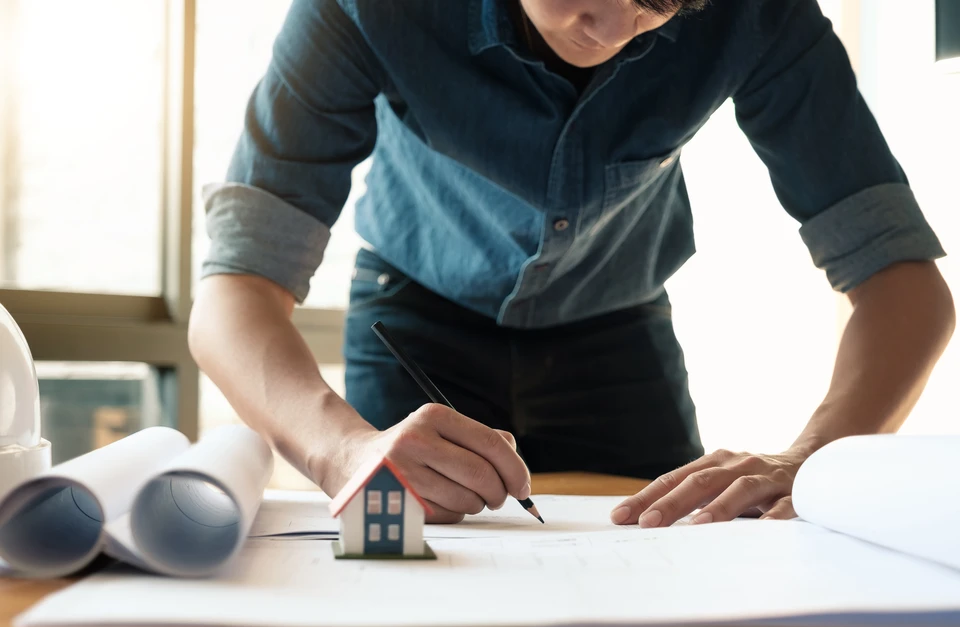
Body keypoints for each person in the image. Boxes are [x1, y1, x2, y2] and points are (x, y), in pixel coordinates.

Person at [189, 0, 955, 527]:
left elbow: (907, 290)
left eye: (660, 0)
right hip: (413, 323)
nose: (613, 27)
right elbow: (234, 291)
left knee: (667, 585)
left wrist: (810, 460)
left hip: (619, 326)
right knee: (408, 595)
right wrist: (340, 447)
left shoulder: (757, 12)